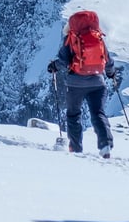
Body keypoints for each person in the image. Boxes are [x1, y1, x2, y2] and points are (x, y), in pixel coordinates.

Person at [47, 10, 119, 157]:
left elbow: (63, 61)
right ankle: (105, 145)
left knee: (74, 115)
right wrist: (111, 73)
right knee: (98, 113)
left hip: (76, 85)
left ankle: (76, 148)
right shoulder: (98, 38)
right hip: (98, 83)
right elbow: (108, 60)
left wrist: (53, 66)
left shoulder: (71, 38)